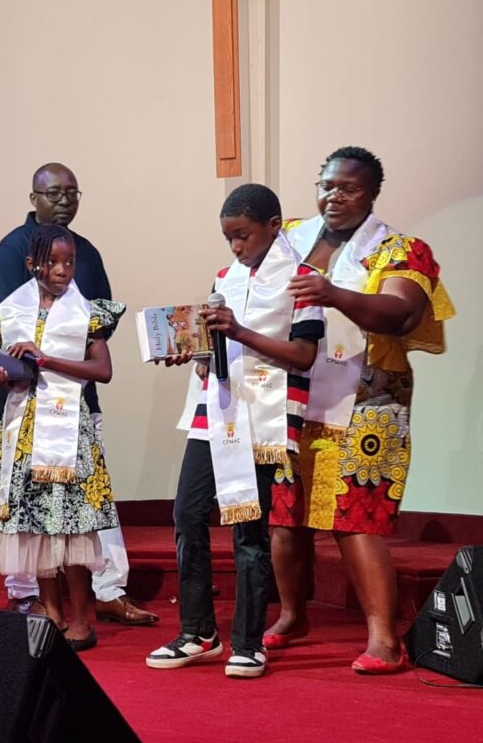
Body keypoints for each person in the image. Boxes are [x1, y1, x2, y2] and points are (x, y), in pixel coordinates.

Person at [266, 146, 455, 673]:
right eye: (326, 185)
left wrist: (332, 293)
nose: (334, 196)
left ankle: (383, 638)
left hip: (370, 403)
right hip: (293, 396)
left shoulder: (401, 249)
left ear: (371, 193)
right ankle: (291, 615)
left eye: (348, 188)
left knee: (356, 520)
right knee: (285, 517)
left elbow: (399, 313)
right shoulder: (289, 238)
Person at [145, 184, 324, 678]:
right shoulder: (225, 278)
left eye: (243, 235)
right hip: (213, 413)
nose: (236, 247)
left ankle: (248, 642)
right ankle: (198, 633)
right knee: (187, 514)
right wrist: (189, 351)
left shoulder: (304, 281)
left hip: (263, 418)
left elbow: (305, 355)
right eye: (228, 238)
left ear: (273, 225)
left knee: (249, 529)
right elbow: (215, 351)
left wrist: (238, 330)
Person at [0, 162, 156, 626]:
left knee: (84, 509)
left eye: (72, 193)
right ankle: (30, 596)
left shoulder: (88, 252)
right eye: (54, 193)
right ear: (34, 198)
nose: (65, 201)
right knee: (30, 511)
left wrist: (62, 348)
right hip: (26, 406)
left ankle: (105, 592)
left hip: (74, 401)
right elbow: (8, 329)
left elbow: (100, 329)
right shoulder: (10, 250)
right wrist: (4, 368)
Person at [0, 224, 124, 651]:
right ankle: (53, 612)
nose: (63, 271)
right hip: (25, 430)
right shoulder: (12, 311)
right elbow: (13, 368)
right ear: (32, 265)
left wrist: (48, 360)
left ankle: (81, 619)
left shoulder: (87, 313)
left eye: (70, 263)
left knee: (72, 526)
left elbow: (103, 370)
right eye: (53, 262)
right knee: (37, 524)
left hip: (69, 433)